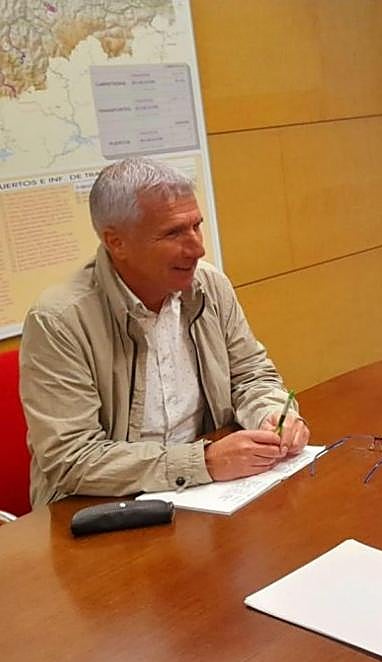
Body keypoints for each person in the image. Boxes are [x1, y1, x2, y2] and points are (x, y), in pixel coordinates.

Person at [20, 157, 309, 506]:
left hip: (208, 494)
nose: (198, 248)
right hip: (101, 507)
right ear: (116, 242)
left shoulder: (209, 285)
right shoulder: (59, 320)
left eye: (196, 226)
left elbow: (251, 374)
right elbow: (71, 459)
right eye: (173, 233)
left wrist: (272, 413)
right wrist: (201, 462)